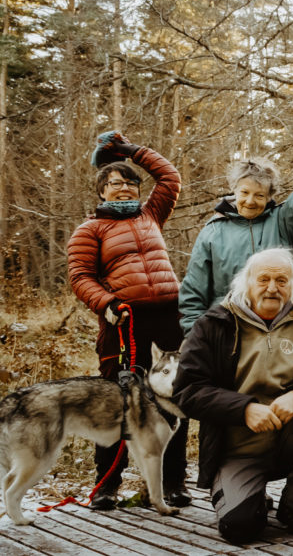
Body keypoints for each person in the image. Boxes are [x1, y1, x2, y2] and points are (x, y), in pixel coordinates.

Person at [173, 248, 293, 544]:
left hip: (292, 440)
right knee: (240, 528)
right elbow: (186, 391)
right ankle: (236, 492)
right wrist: (243, 409)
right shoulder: (214, 325)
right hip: (239, 448)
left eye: (281, 280)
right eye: (263, 279)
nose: (272, 287)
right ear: (246, 282)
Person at [67, 131, 190, 510]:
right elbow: (80, 276)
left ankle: (173, 483)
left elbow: (169, 178)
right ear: (101, 190)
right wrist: (105, 303)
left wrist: (129, 151)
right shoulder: (90, 229)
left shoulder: (151, 214)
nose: (123, 188)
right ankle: (106, 486)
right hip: (124, 321)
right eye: (114, 183)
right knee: (117, 402)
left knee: (174, 398)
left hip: (170, 317)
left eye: (130, 182)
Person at [178, 143, 293, 334]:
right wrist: (193, 336)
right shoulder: (212, 231)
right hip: (226, 329)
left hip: (277, 327)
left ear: (269, 197)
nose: (250, 201)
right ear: (234, 190)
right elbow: (194, 291)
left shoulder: (282, 221)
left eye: (259, 195)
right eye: (244, 193)